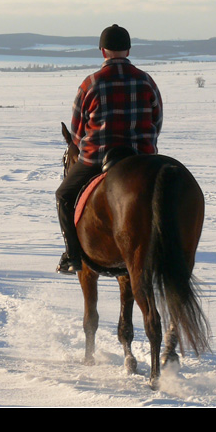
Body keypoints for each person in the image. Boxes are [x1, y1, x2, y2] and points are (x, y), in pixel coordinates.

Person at [55, 24, 163, 274]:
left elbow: (77, 131)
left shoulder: (90, 83)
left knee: (63, 196)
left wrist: (83, 146)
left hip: (97, 158)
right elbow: (157, 121)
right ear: (128, 50)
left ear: (102, 51)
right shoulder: (146, 80)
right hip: (142, 160)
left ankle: (72, 256)